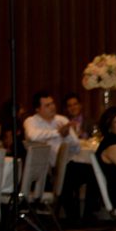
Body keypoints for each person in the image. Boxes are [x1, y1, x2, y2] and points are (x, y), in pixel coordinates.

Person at [23, 90, 87, 224]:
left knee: (91, 172)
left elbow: (76, 147)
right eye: (47, 105)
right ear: (37, 109)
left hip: (66, 163)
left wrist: (67, 135)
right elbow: (33, 136)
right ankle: (71, 219)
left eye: (52, 103)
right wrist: (58, 133)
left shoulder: (62, 120)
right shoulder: (31, 121)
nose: (52, 107)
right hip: (43, 168)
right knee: (66, 176)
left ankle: (86, 216)